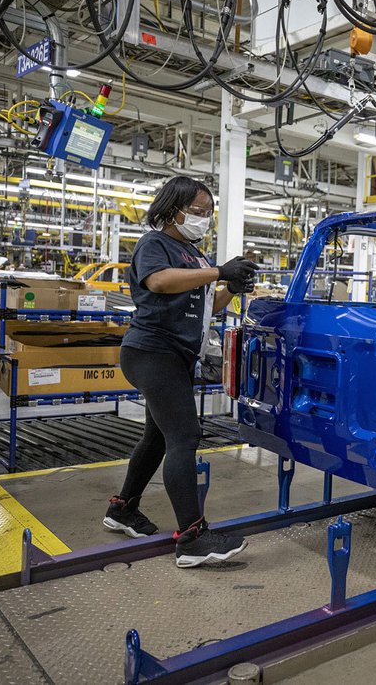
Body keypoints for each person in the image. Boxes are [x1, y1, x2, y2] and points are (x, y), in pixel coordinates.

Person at [102, 175, 257, 568]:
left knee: (158, 437)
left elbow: (207, 305)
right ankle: (192, 537)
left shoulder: (195, 255)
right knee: (185, 436)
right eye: (198, 212)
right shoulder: (155, 244)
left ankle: (122, 508)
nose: (204, 219)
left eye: (209, 213)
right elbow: (159, 281)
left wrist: (232, 287)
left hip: (176, 355)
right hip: (153, 352)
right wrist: (219, 271)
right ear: (174, 210)